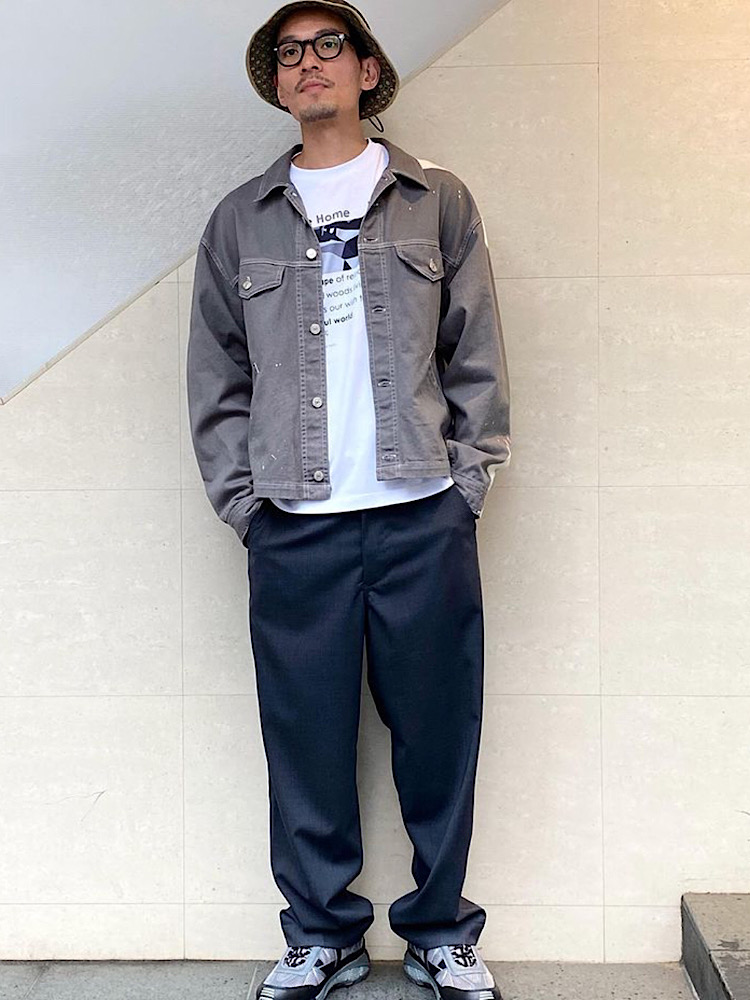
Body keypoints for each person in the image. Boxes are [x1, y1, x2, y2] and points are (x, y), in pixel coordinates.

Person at [186, 2, 511, 997]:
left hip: (422, 516)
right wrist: (246, 505)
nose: (308, 63)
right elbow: (216, 374)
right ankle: (322, 933)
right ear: (276, 82)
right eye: (289, 52)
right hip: (295, 526)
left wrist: (467, 481)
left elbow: (475, 351)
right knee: (305, 740)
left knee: (438, 734)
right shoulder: (239, 221)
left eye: (329, 45)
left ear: (369, 70)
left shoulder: (435, 200)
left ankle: (440, 930)